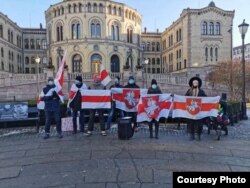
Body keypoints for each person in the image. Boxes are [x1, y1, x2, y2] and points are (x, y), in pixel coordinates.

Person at [185, 76, 207, 141]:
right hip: (191, 111)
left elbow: (206, 98)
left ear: (198, 84)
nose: (195, 83)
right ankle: (192, 135)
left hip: (199, 111)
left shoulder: (201, 91)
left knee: (200, 124)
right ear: (192, 83)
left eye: (196, 82)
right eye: (194, 82)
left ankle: (199, 135)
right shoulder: (189, 91)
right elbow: (184, 98)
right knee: (191, 124)